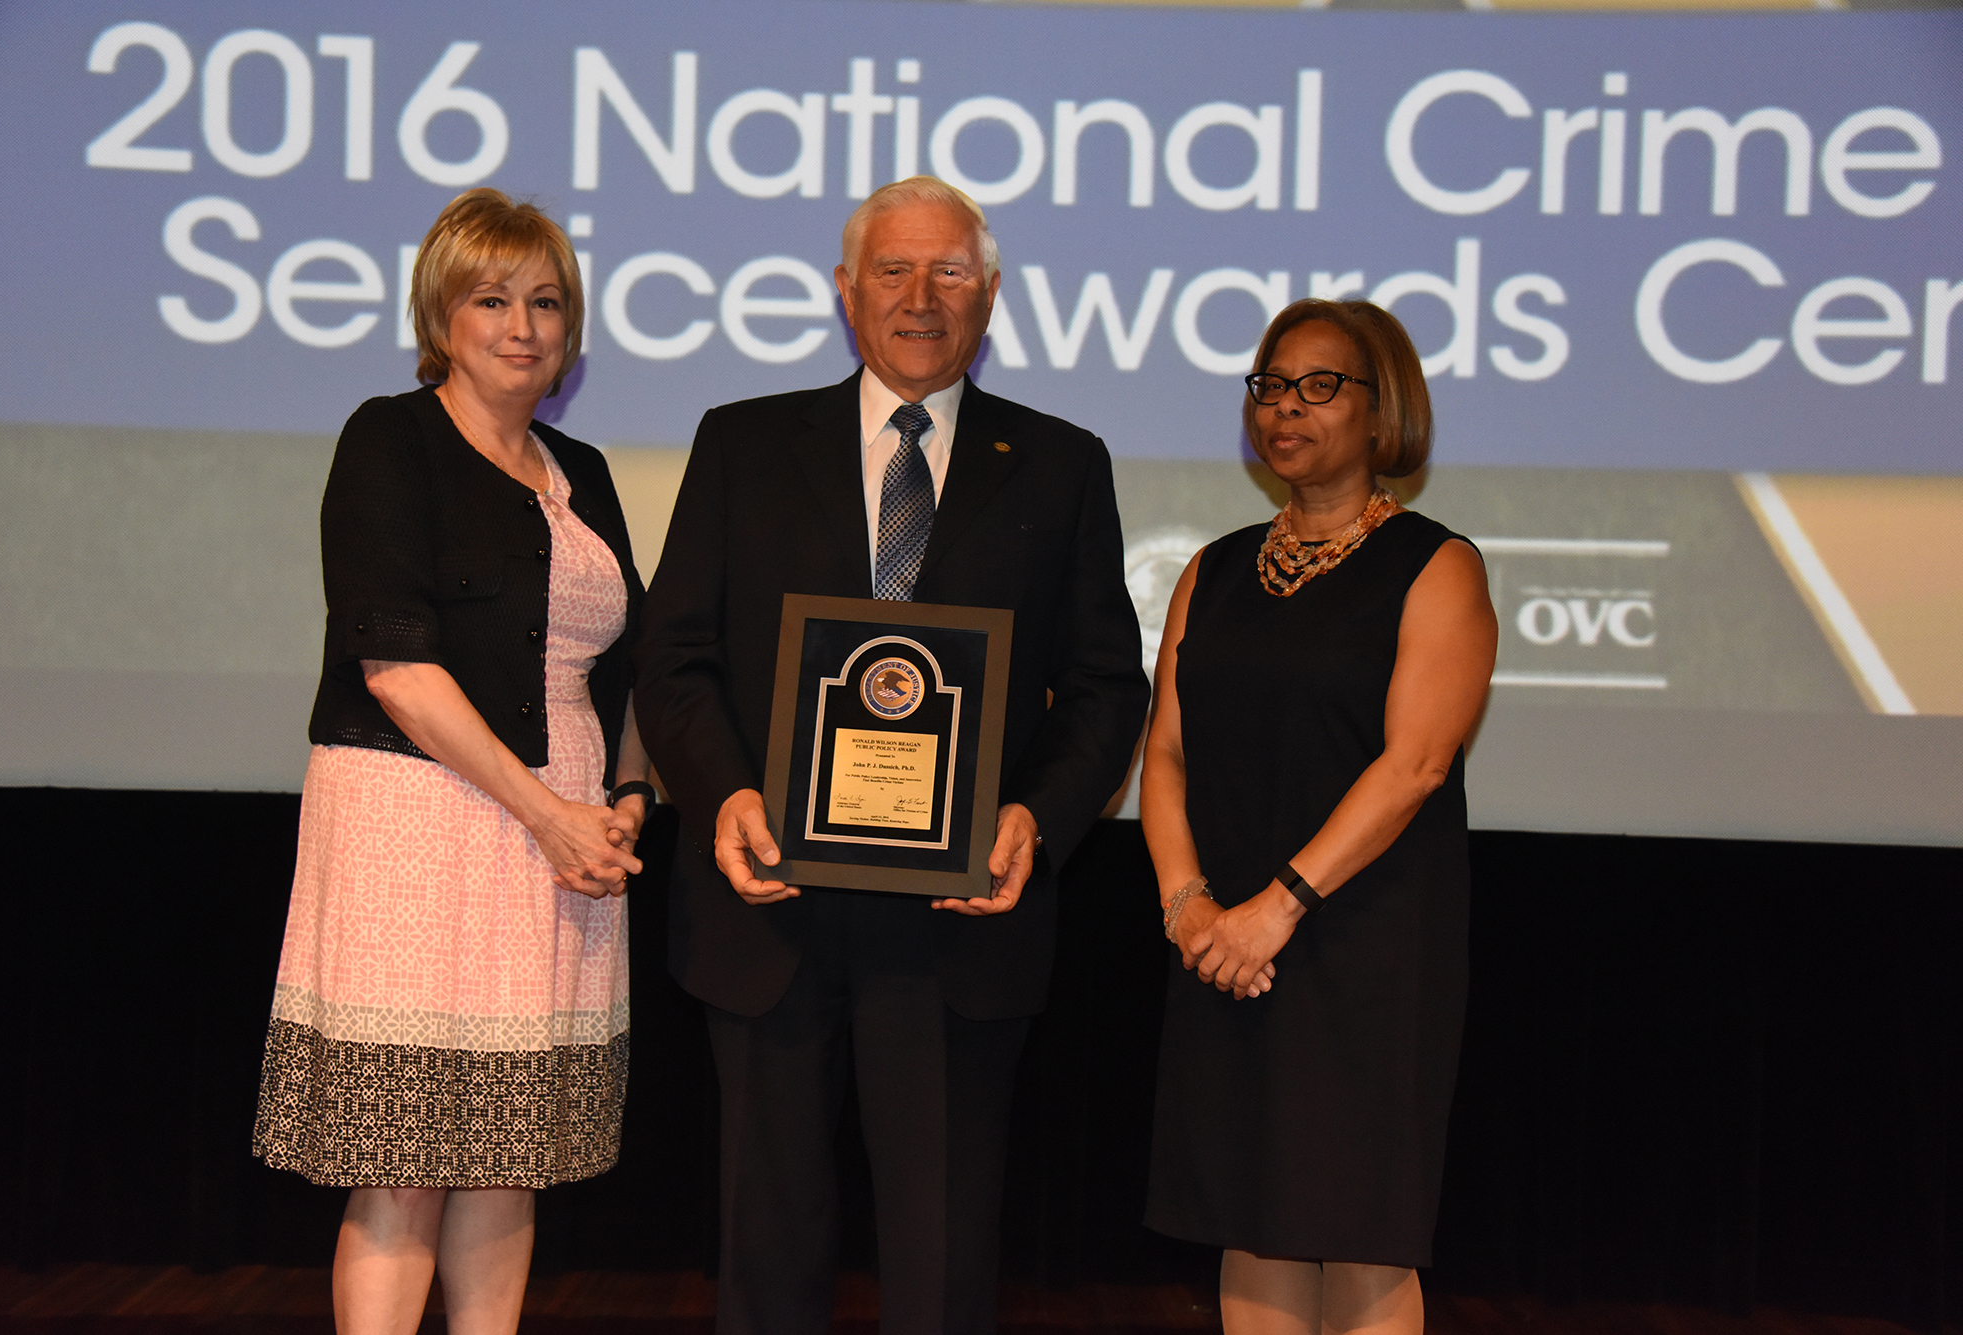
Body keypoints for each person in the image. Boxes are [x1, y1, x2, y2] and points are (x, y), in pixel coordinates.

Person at [633, 176, 1148, 1335]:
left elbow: (1109, 687)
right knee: (763, 1256)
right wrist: (718, 797)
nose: (921, 297)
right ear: (844, 292)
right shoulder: (742, 443)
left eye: (950, 272)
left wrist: (1033, 819)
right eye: (892, 271)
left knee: (944, 1263)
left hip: (959, 926)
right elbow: (674, 657)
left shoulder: (1061, 464)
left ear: (992, 295)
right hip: (766, 907)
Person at [253, 187, 651, 1335]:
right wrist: (549, 812)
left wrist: (622, 798)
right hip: (416, 830)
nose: (522, 325)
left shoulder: (581, 467)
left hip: (560, 841)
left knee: (507, 1151)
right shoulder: (391, 437)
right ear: (443, 313)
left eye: (545, 301)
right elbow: (395, 663)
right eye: (493, 299)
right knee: (402, 1156)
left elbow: (626, 658)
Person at [1140, 299, 1498, 1335]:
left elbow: (1415, 764)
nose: (1282, 407)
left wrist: (1276, 910)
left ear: (1380, 407)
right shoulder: (1211, 567)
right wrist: (1188, 909)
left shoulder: (1436, 565)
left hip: (1361, 941)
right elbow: (1164, 752)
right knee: (1248, 1217)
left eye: (1315, 386)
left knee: (1360, 1229)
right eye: (1266, 385)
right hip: (1221, 942)